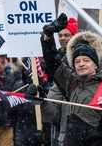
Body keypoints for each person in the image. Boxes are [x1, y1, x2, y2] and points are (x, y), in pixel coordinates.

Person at [41, 14, 102, 145]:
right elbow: (53, 63)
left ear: (96, 64)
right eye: (77, 61)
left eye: (86, 60)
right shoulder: (72, 83)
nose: (81, 64)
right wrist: (48, 36)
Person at [40, 15, 78, 146]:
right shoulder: (58, 55)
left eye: (67, 35)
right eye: (60, 35)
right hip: (60, 123)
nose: (62, 38)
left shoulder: (79, 58)